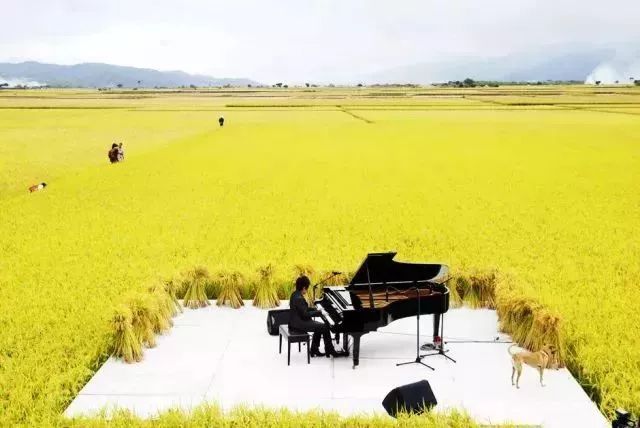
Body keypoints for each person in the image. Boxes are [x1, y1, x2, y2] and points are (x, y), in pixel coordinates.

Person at [289, 275, 343, 357]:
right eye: (307, 288)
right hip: (300, 323)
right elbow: (305, 314)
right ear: (304, 287)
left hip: (295, 321)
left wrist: (316, 310)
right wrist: (319, 312)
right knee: (324, 326)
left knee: (319, 326)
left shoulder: (294, 294)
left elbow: (304, 309)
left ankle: (314, 349)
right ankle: (330, 350)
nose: (306, 290)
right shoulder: (299, 298)